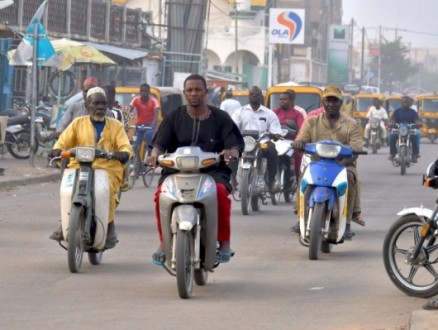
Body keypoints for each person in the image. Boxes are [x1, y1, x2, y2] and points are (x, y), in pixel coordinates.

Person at [146, 74, 244, 265]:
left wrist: (231, 151)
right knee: (160, 196)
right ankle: (163, 241)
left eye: (197, 90)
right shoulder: (174, 117)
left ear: (205, 92)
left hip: (212, 172)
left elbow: (234, 144)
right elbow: (159, 143)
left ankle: (224, 241)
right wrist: (154, 155)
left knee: (220, 193)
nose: (193, 94)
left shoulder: (221, 118)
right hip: (176, 172)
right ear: (184, 93)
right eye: (189, 90)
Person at [49, 87, 133, 249]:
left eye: (103, 103)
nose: (100, 107)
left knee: (106, 192)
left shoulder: (115, 125)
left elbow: (125, 146)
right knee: (67, 191)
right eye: (96, 103)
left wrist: (123, 153)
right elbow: (62, 142)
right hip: (78, 165)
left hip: (107, 168)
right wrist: (57, 149)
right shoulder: (77, 123)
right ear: (88, 105)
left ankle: (109, 226)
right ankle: (65, 223)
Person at [292, 85, 365, 239]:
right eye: (328, 100)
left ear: (341, 103)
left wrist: (343, 163)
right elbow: (302, 138)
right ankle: (301, 217)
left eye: (335, 100)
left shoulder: (351, 124)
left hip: (343, 164)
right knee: (303, 176)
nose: (331, 104)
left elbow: (356, 147)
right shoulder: (311, 122)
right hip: (317, 164)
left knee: (350, 178)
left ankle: (346, 224)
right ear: (323, 102)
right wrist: (299, 143)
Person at [232, 86, 282, 193]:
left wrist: (275, 135)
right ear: (249, 96)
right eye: (252, 94)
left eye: (257, 94)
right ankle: (232, 180)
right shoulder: (239, 112)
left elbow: (276, 130)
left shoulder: (269, 114)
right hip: (244, 142)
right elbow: (233, 126)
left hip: (262, 142)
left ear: (262, 97)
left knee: (272, 150)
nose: (254, 96)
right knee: (231, 152)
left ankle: (271, 180)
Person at [273, 90, 305, 190]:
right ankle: (269, 179)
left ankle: (298, 178)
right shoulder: (274, 112)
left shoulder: (298, 114)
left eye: (285, 99)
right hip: (276, 140)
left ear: (291, 101)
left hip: (292, 141)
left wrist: (298, 139)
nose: (282, 101)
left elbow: (302, 129)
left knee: (299, 155)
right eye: (280, 99)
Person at [129, 83, 160, 164]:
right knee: (135, 144)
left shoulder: (153, 101)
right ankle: (136, 162)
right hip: (139, 124)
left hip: (150, 125)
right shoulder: (136, 99)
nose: (143, 92)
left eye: (145, 91)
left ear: (148, 92)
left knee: (150, 137)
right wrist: (125, 120)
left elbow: (156, 114)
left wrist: (154, 124)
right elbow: (129, 110)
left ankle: (149, 156)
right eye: (141, 91)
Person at [388, 96, 422, 162]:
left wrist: (418, 123)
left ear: (409, 103)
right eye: (403, 102)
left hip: (410, 130)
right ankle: (393, 153)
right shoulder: (396, 111)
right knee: (391, 135)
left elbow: (417, 120)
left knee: (417, 134)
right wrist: (391, 124)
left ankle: (415, 154)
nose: (405, 103)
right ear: (401, 102)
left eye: (407, 102)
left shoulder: (413, 112)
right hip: (399, 129)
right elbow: (392, 120)